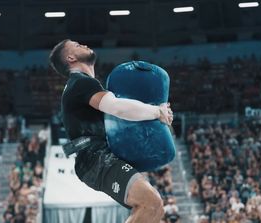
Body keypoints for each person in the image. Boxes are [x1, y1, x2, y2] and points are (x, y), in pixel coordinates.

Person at [49, 39, 173, 223]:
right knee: (151, 203)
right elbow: (118, 108)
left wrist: (158, 111)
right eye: (77, 45)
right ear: (71, 57)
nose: (83, 44)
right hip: (96, 158)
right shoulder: (80, 83)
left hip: (99, 156)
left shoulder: (83, 85)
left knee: (156, 210)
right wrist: (156, 112)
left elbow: (121, 116)